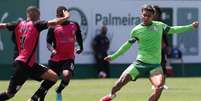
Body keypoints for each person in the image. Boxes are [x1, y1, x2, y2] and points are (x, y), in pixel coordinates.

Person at [100, 4, 199, 101]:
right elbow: (127, 45)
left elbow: (173, 29)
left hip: (155, 66)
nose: (146, 17)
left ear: (153, 16)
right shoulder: (136, 30)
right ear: (141, 15)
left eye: (149, 16)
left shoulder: (160, 26)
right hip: (139, 64)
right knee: (120, 82)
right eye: (144, 15)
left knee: (159, 87)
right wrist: (113, 56)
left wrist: (191, 26)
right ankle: (111, 95)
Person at [0, 5, 70, 101]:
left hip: (28, 64)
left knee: (53, 77)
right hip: (23, 65)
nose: (40, 17)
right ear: (34, 14)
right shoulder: (36, 24)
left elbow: (2, 25)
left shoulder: (17, 24)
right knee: (9, 94)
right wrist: (66, 17)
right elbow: (54, 22)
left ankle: (34, 99)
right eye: (39, 15)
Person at [29, 6, 83, 101]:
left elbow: (79, 36)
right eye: (60, 15)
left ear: (67, 14)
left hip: (68, 57)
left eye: (64, 15)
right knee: (49, 81)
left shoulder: (74, 25)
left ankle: (58, 90)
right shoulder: (53, 27)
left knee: (66, 75)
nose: (62, 17)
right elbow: (48, 43)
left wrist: (81, 47)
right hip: (56, 59)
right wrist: (52, 50)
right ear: (57, 16)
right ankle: (40, 97)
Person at [153, 5, 170, 89]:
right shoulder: (149, 22)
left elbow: (165, 36)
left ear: (159, 13)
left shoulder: (161, 23)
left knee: (162, 65)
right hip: (151, 48)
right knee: (153, 67)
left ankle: (163, 83)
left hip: (161, 48)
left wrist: (167, 45)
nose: (154, 13)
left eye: (156, 12)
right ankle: (155, 84)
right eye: (153, 11)